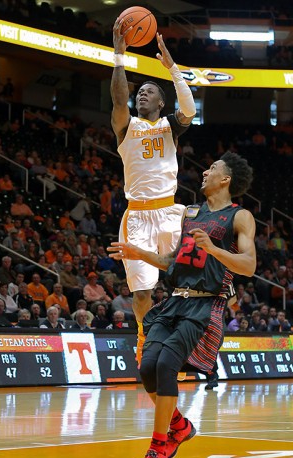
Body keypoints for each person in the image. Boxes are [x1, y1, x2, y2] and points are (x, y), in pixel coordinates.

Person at [108, 151, 256, 458]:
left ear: (226, 179)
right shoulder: (191, 214)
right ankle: (179, 426)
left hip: (205, 305)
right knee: (147, 368)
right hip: (175, 300)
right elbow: (172, 262)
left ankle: (158, 451)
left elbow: (249, 265)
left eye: (212, 168)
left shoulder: (240, 216)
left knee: (165, 365)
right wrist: (138, 253)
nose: (205, 171)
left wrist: (215, 250)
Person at [110, 22, 196, 364]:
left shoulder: (169, 126)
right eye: (140, 91)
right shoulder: (125, 126)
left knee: (185, 283)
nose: (142, 94)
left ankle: (183, 340)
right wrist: (119, 57)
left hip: (169, 213)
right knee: (142, 293)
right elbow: (118, 98)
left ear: (161, 102)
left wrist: (172, 69)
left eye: (149, 91)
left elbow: (188, 109)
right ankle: (145, 334)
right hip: (137, 216)